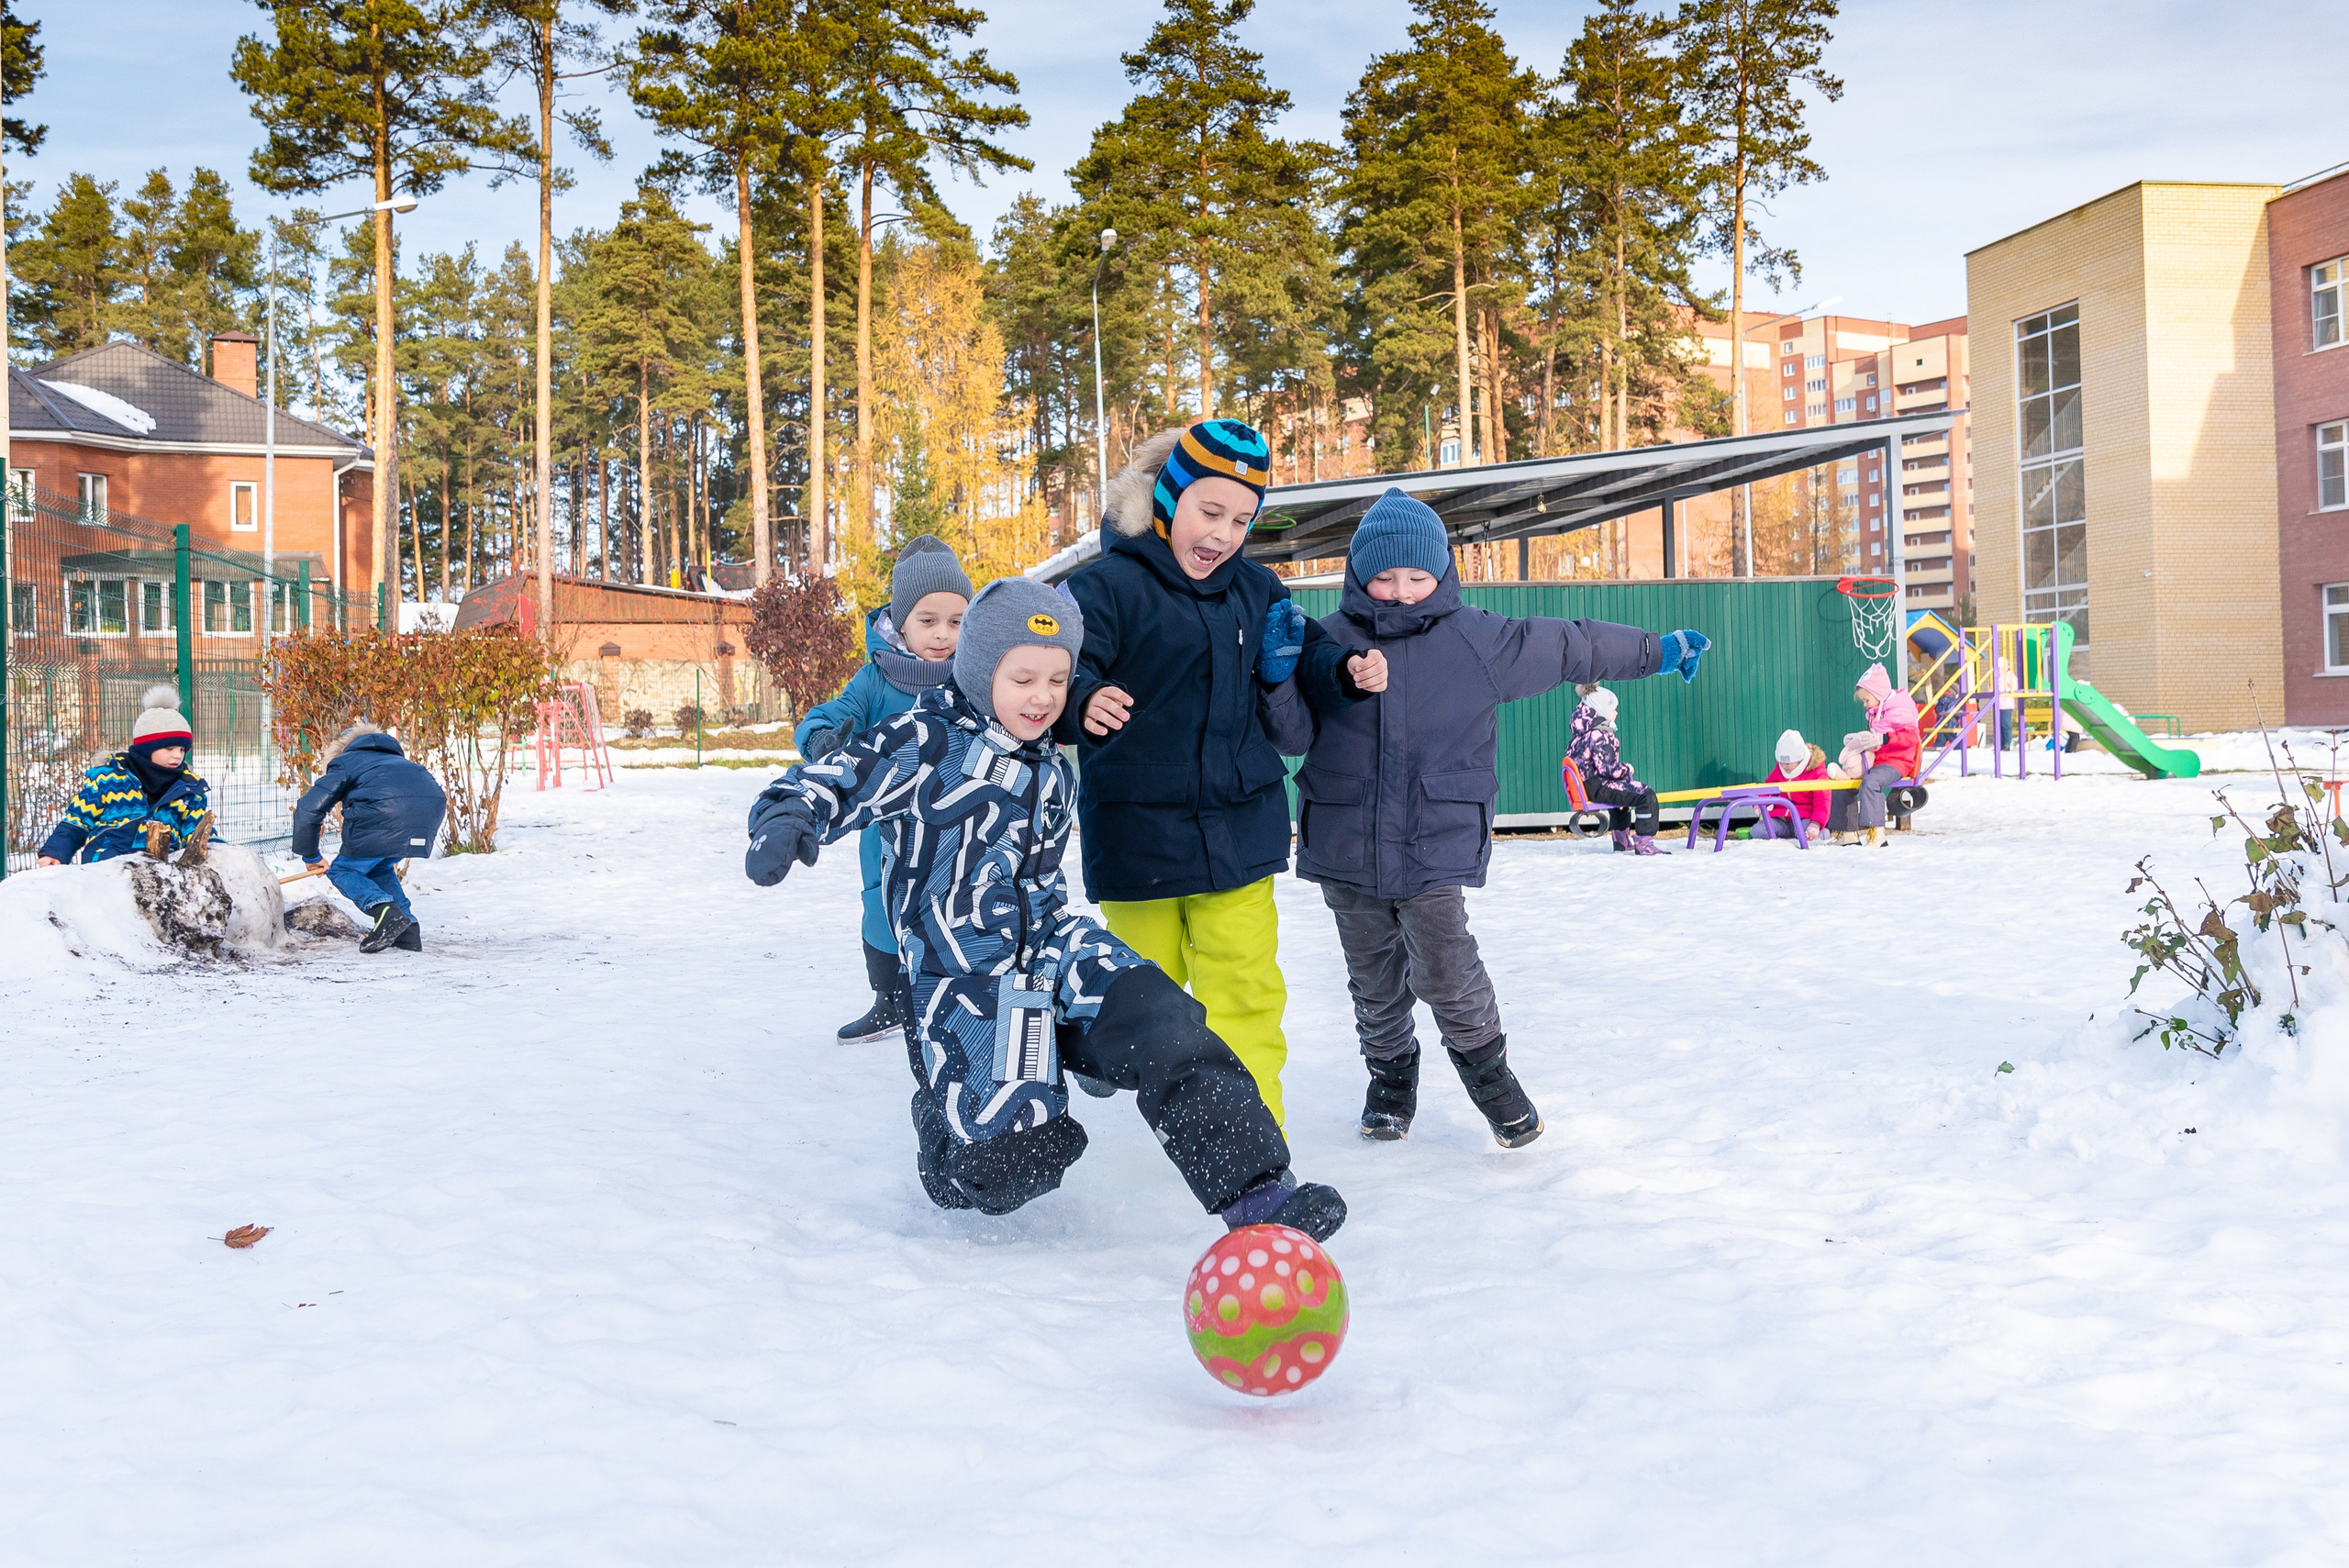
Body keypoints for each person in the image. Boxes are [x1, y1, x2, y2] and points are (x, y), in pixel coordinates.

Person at [745, 578, 1346, 1240]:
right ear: (981, 671)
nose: (1044, 697)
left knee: (1167, 1020)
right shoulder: (921, 742)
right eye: (1023, 678)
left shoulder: (1048, 764)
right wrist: (787, 820)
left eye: (1058, 679)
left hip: (1052, 945)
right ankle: (944, 1130)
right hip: (964, 976)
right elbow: (829, 780)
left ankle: (1258, 1195)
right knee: (1016, 1167)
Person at [1262, 487, 1705, 1145]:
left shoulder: (1477, 640)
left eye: (1417, 576)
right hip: (1348, 839)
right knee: (1373, 979)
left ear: (1442, 573)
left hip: (1434, 840)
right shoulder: (1329, 642)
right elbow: (1291, 735)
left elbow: (1571, 646)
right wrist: (1276, 676)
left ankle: (1493, 1082)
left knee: (1448, 969)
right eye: (1385, 577)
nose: (1401, 591)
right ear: (1358, 574)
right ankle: (1391, 1081)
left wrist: (1657, 651)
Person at [1057, 419, 1376, 1128]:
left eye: (1241, 520)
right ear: (1169, 499)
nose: (1224, 534)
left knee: (1246, 989)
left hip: (1238, 827)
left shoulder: (1256, 590)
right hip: (1139, 835)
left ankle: (1251, 1142)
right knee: (1147, 996)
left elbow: (1307, 650)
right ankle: (1105, 1045)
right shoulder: (1105, 588)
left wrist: (1344, 670)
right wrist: (1082, 698)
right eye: (1210, 511)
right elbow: (1058, 668)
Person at [793, 534, 974, 1042]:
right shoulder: (875, 681)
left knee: (958, 910)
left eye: (956, 621)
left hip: (960, 824)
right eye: (928, 620)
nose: (942, 634)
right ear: (900, 622)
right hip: (887, 831)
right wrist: (823, 740)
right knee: (880, 908)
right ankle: (888, 999)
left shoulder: (977, 677)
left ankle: (960, 1001)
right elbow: (828, 716)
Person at [292, 724, 449, 953]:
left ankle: (384, 910)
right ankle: (407, 930)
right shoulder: (401, 763)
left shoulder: (345, 762)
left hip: (385, 813)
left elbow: (309, 809)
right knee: (379, 868)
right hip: (427, 816)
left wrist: (311, 856)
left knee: (343, 871)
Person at [38, 685, 210, 866]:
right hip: (105, 869)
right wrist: (55, 851)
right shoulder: (108, 779)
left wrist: (217, 851)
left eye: (182, 749)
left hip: (161, 874)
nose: (177, 755)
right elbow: (78, 820)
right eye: (169, 748)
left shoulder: (189, 790)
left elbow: (198, 833)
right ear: (146, 748)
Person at [1566, 685, 1671, 855]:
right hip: (1599, 787)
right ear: (1601, 711)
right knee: (1646, 795)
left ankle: (1621, 842)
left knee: (1622, 797)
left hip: (1590, 786)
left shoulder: (1581, 736)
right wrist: (1626, 768)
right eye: (1613, 709)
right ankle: (1644, 843)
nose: (1616, 713)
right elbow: (1608, 769)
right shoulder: (1599, 735)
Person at [1828, 662, 1921, 847]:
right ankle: (1847, 833)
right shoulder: (1876, 711)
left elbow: (1911, 738)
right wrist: (1861, 740)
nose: (1864, 705)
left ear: (1878, 694)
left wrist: (1885, 739)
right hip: (1878, 760)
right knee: (1843, 782)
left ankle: (1877, 833)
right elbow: (1875, 739)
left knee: (1871, 782)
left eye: (1866, 700)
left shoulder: (1900, 710)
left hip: (1898, 761)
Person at [1758, 728, 1831, 840]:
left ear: (1799, 759)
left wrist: (1816, 823)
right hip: (1782, 818)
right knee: (1758, 830)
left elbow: (1822, 800)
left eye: (1787, 763)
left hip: (1805, 818)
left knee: (1807, 833)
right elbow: (1769, 788)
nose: (1784, 766)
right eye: (1781, 762)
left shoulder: (1816, 771)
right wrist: (1759, 803)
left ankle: (1820, 833)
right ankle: (1790, 835)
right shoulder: (1780, 768)